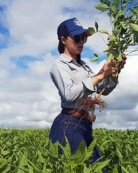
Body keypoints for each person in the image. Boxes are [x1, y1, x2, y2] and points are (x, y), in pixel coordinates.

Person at [49, 17, 126, 163]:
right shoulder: (60, 66)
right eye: (77, 37)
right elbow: (69, 94)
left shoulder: (84, 66)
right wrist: (100, 75)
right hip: (68, 124)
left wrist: (114, 74)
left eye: (84, 38)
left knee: (97, 171)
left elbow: (101, 89)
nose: (81, 42)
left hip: (85, 124)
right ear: (63, 39)